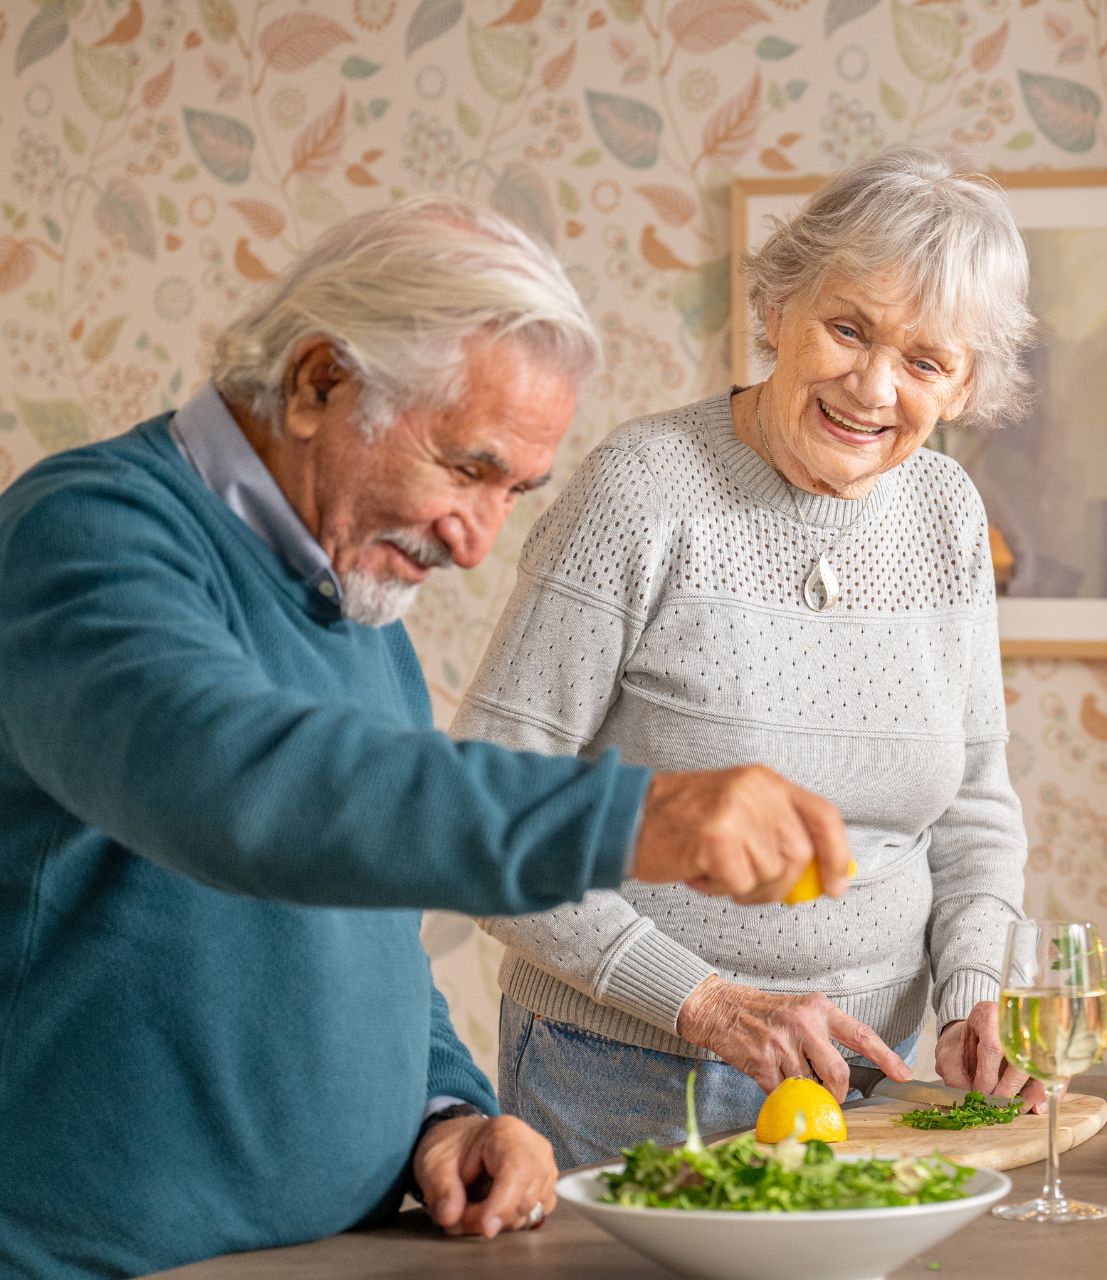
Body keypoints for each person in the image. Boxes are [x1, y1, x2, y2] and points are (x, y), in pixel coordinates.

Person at [0, 198, 851, 1280]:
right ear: (318, 382)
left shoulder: (355, 592)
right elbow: (244, 785)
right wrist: (635, 814)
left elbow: (368, 921)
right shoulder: (85, 535)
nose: (477, 539)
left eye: (515, 491)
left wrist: (445, 1108)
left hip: (346, 1248)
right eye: (465, 467)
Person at [453, 147, 1044, 1166]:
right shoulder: (641, 493)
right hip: (623, 1075)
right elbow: (486, 812)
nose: (871, 385)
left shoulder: (948, 514)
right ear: (778, 307)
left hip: (878, 1085)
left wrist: (970, 996)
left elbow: (975, 808)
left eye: (924, 361)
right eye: (847, 327)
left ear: (965, 387)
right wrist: (705, 1002)